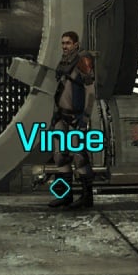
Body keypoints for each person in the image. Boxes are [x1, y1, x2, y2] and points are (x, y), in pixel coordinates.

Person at [48, 31, 96, 209]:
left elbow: (90, 91)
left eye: (68, 43)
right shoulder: (63, 61)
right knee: (60, 156)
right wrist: (55, 114)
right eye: (63, 43)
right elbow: (59, 90)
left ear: (76, 44)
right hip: (61, 115)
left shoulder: (83, 60)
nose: (65, 46)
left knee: (79, 157)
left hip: (76, 116)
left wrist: (85, 118)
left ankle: (87, 198)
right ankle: (65, 196)